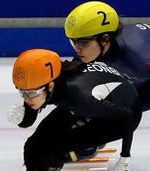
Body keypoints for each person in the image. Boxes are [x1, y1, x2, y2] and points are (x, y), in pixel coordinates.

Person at [0, 49, 141, 171]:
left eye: (31, 93)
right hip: (93, 102)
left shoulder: (79, 96)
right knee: (34, 142)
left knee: (56, 145)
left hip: (120, 117)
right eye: (22, 92)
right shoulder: (41, 83)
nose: (27, 98)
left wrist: (125, 156)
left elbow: (127, 116)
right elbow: (30, 112)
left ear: (50, 86)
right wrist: (22, 119)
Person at [63, 1, 150, 162]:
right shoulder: (91, 53)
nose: (77, 48)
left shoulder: (140, 55)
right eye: (73, 41)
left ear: (104, 39)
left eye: (83, 42)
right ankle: (90, 142)